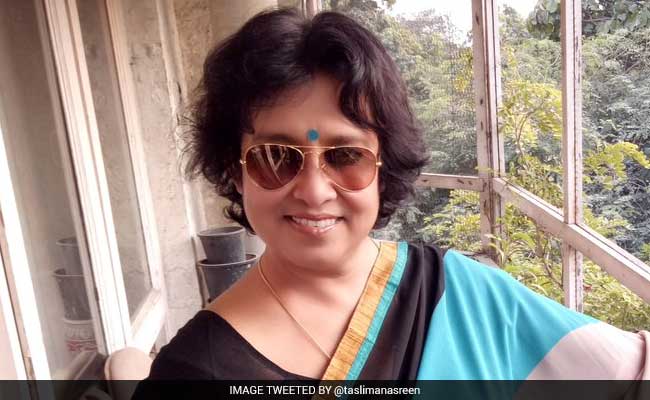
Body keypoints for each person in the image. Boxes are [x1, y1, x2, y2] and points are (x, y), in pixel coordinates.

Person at [137, 7, 648, 386]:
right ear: (235, 168)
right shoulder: (194, 373)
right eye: (276, 156)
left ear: (385, 168)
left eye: (346, 155)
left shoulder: (460, 296)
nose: (313, 190)